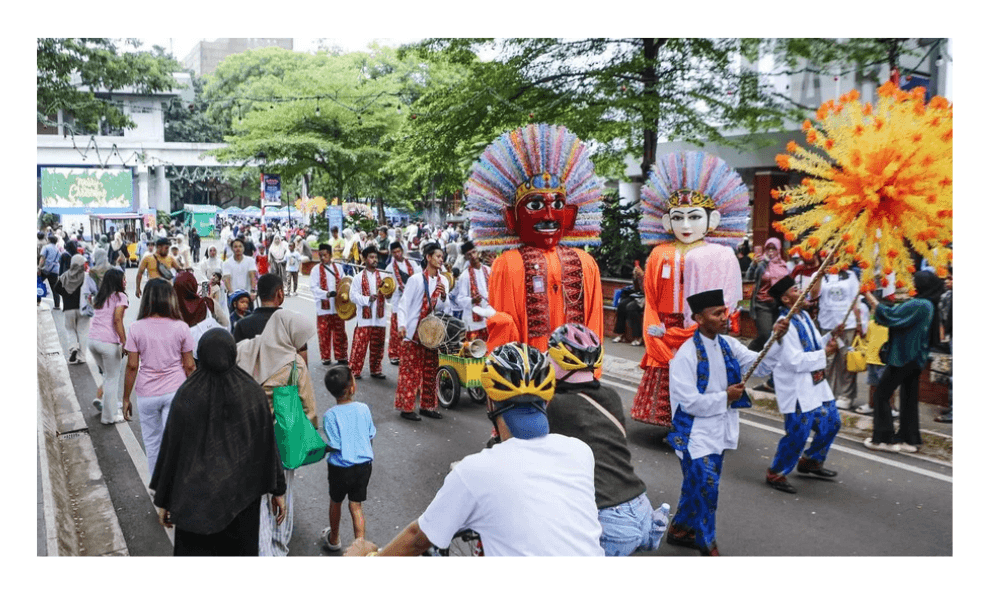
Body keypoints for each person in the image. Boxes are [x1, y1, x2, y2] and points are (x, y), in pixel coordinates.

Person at [345, 343, 603, 557]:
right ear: (547, 399)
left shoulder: (475, 471)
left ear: (490, 402)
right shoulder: (580, 451)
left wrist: (370, 558)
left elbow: (417, 539)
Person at [665, 289, 786, 555]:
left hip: (719, 430)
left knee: (696, 485)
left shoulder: (728, 345)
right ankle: (707, 543)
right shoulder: (685, 356)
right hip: (694, 435)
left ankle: (679, 529)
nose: (725, 317)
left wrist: (777, 339)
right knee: (708, 489)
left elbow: (761, 366)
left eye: (724, 311)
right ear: (699, 318)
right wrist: (726, 397)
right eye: (717, 313)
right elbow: (690, 403)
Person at [631, 151, 747, 428]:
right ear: (667, 221)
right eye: (678, 218)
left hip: (701, 326)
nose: (685, 225)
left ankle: (701, 421)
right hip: (666, 327)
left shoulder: (718, 255)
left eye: (694, 217)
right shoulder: (660, 253)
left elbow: (728, 296)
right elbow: (651, 295)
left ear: (713, 220)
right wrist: (654, 327)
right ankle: (675, 423)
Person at [465, 123, 604, 354]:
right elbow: (506, 331)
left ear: (569, 215)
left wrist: (591, 367)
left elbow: (594, 324)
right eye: (535, 205)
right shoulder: (507, 264)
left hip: (576, 371)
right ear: (512, 218)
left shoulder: (586, 264)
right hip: (530, 375)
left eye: (557, 205)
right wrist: (499, 322)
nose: (549, 216)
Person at [150, 329, 287, 556]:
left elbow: (172, 451)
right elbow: (266, 445)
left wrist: (164, 499)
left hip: (195, 505)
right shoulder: (252, 393)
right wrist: (278, 490)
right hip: (241, 501)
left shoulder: (187, 394)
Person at [544, 324, 670, 556]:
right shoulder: (610, 396)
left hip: (610, 518)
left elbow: (534, 452)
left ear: (557, 360)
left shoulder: (557, 406)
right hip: (642, 508)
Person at [235, 310, 319, 556]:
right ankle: (278, 546)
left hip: (245, 436)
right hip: (280, 439)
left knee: (257, 498)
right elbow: (309, 409)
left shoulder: (244, 349)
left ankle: (259, 547)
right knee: (283, 494)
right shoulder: (294, 363)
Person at [762, 276, 843, 494]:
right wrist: (824, 353)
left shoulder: (804, 316)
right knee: (798, 433)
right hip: (797, 388)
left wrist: (830, 337)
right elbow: (794, 361)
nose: (803, 292)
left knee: (832, 422)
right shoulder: (783, 327)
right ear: (786, 299)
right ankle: (777, 472)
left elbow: (814, 345)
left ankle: (812, 461)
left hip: (817, 383)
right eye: (796, 289)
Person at [862, 271, 943, 454]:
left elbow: (889, 315)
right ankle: (909, 440)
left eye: (914, 282)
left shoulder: (920, 304)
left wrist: (867, 294)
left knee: (881, 395)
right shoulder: (928, 303)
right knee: (908, 399)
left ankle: (883, 440)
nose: (911, 285)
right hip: (915, 358)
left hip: (904, 357)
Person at [122, 279, 196, 477]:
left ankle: (159, 494)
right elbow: (189, 365)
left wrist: (126, 398)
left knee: (153, 445)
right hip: (175, 391)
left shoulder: (136, 328)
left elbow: (132, 366)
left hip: (147, 394)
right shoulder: (181, 327)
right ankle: (176, 488)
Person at [319, 365, 376, 553]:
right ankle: (360, 546)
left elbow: (335, 444)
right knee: (356, 505)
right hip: (363, 466)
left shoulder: (330, 415)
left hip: (340, 468)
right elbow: (370, 436)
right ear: (352, 387)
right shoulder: (364, 409)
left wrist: (321, 449)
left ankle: (334, 538)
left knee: (336, 502)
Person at [393, 243, 452, 421]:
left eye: (442, 257)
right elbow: (404, 304)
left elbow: (444, 309)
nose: (441, 260)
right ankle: (407, 408)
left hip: (432, 334)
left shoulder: (444, 281)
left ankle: (428, 406)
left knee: (430, 370)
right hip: (413, 333)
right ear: (428, 257)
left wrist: (443, 297)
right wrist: (402, 325)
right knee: (410, 371)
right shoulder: (416, 279)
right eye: (438, 256)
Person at [813, 266, 862, 410]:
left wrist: (859, 322)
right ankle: (825, 393)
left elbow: (855, 300)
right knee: (825, 361)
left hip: (848, 324)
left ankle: (846, 396)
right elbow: (814, 295)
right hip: (827, 324)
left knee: (846, 362)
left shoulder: (850, 275)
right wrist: (820, 275)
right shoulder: (818, 274)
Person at [87, 268, 129, 424]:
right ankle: (108, 417)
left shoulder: (101, 296)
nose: (125, 282)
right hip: (108, 343)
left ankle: (108, 404)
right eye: (123, 279)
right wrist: (125, 342)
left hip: (92, 341)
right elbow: (117, 320)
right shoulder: (120, 296)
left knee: (108, 375)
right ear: (117, 282)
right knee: (112, 379)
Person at [349, 246, 389, 380]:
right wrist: (367, 299)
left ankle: (376, 370)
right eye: (371, 257)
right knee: (359, 346)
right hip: (364, 319)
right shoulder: (358, 278)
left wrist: (389, 293)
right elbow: (352, 296)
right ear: (364, 259)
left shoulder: (384, 276)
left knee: (378, 346)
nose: (375, 260)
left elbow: (389, 294)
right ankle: (354, 370)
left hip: (379, 318)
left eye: (376, 257)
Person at [310, 243, 350, 366]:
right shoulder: (315, 270)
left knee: (340, 332)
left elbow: (345, 282)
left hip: (338, 307)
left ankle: (341, 356)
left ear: (331, 255)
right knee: (324, 333)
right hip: (323, 307)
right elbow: (313, 287)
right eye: (320, 255)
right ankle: (325, 357)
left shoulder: (338, 267)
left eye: (325, 255)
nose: (322, 258)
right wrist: (326, 294)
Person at [747, 237, 790, 354]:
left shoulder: (784, 265)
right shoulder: (762, 264)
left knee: (776, 336)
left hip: (779, 305)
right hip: (763, 304)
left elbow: (789, 284)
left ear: (779, 250)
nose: (771, 251)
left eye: (774, 249)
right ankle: (749, 353)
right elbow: (749, 277)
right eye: (768, 248)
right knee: (765, 335)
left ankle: (770, 364)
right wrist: (753, 265)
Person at [173, 271, 228, 360]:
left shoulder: (171, 310)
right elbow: (225, 323)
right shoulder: (208, 303)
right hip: (207, 354)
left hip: (181, 360)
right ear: (194, 286)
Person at [53, 254, 91, 365]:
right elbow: (94, 289)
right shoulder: (86, 276)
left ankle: (73, 347)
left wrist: (66, 294)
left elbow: (56, 288)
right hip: (83, 308)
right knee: (83, 332)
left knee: (70, 330)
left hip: (68, 308)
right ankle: (81, 357)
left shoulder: (65, 276)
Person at [386, 241, 418, 365]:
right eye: (394, 253)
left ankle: (407, 353)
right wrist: (397, 289)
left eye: (399, 251)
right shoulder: (389, 268)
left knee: (410, 328)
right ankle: (394, 354)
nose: (397, 254)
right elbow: (388, 285)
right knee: (396, 330)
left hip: (411, 301)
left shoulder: (413, 263)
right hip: (398, 302)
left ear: (402, 250)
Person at [453, 240, 492, 342]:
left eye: (474, 252)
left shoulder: (488, 270)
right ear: (466, 257)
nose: (473, 256)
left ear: (478, 252)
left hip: (489, 315)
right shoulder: (464, 276)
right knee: (476, 350)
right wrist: (472, 300)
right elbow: (460, 299)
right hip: (474, 321)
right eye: (469, 255)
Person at [612, 263, 645, 345]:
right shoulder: (642, 270)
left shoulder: (651, 272)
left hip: (647, 297)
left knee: (631, 307)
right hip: (637, 295)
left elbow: (647, 289)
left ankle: (638, 337)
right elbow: (637, 288)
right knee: (622, 305)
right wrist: (636, 277)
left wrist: (643, 276)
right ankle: (621, 334)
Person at [222, 239, 258, 305]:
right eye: (235, 247)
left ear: (244, 248)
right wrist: (232, 294)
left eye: (240, 246)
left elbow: (252, 276)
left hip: (247, 295)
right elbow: (227, 280)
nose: (238, 248)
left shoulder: (250, 261)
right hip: (233, 296)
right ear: (232, 249)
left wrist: (253, 291)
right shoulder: (226, 263)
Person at [39, 234, 62, 308]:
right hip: (54, 270)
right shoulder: (58, 249)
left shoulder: (46, 247)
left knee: (38, 284)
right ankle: (57, 305)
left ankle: (37, 301)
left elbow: (42, 258)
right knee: (54, 288)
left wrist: (39, 267)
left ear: (49, 240)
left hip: (45, 269)